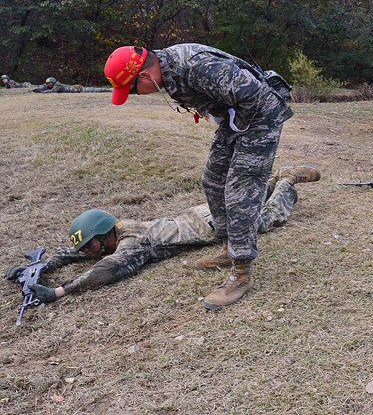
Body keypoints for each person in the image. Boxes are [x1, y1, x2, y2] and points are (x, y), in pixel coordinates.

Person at [103, 44, 293, 308]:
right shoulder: (168, 71)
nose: (135, 95)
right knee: (213, 178)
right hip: (235, 113)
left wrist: (241, 122)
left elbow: (253, 93)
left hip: (260, 113)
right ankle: (230, 246)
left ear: (145, 77)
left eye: (132, 90)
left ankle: (242, 272)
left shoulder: (195, 67)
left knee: (240, 190)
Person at [4, 166, 319, 309]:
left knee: (266, 219)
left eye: (92, 247)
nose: (89, 253)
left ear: (104, 236)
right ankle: (272, 178)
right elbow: (77, 251)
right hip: (198, 214)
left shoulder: (131, 242)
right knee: (245, 200)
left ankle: (287, 180)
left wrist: (60, 291)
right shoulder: (114, 231)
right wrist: (43, 265)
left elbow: (108, 269)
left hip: (209, 226)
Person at [30, 76, 109, 93]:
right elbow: (45, 87)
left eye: (49, 83)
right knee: (92, 89)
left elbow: (51, 91)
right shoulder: (55, 85)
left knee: (94, 90)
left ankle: (107, 89)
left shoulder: (57, 86)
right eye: (48, 83)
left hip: (77, 89)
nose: (48, 85)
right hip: (76, 88)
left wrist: (40, 92)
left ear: (53, 82)